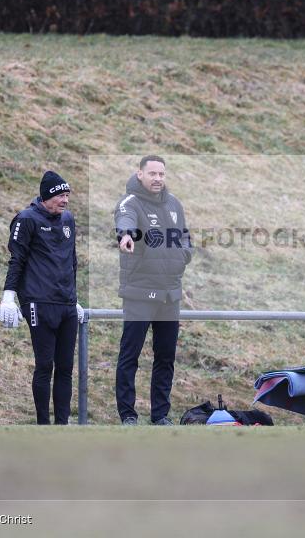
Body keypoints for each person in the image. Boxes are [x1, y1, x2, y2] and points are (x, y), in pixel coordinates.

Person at [114, 155, 192, 426]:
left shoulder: (174, 204)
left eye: (161, 174)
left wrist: (184, 254)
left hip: (169, 295)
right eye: (152, 174)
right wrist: (125, 235)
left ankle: (160, 415)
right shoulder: (130, 203)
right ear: (140, 174)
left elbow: (184, 236)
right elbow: (126, 222)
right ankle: (128, 415)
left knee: (166, 358)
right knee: (130, 356)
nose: (158, 179)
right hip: (139, 293)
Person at [0, 171, 82, 425]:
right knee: (45, 366)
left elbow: (72, 261)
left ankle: (62, 425)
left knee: (66, 368)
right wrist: (9, 296)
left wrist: (74, 297)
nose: (65, 200)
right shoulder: (26, 219)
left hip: (66, 304)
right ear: (47, 196)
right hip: (38, 302)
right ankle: (43, 426)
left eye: (67, 195)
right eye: (60, 195)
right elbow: (17, 260)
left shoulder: (68, 220)